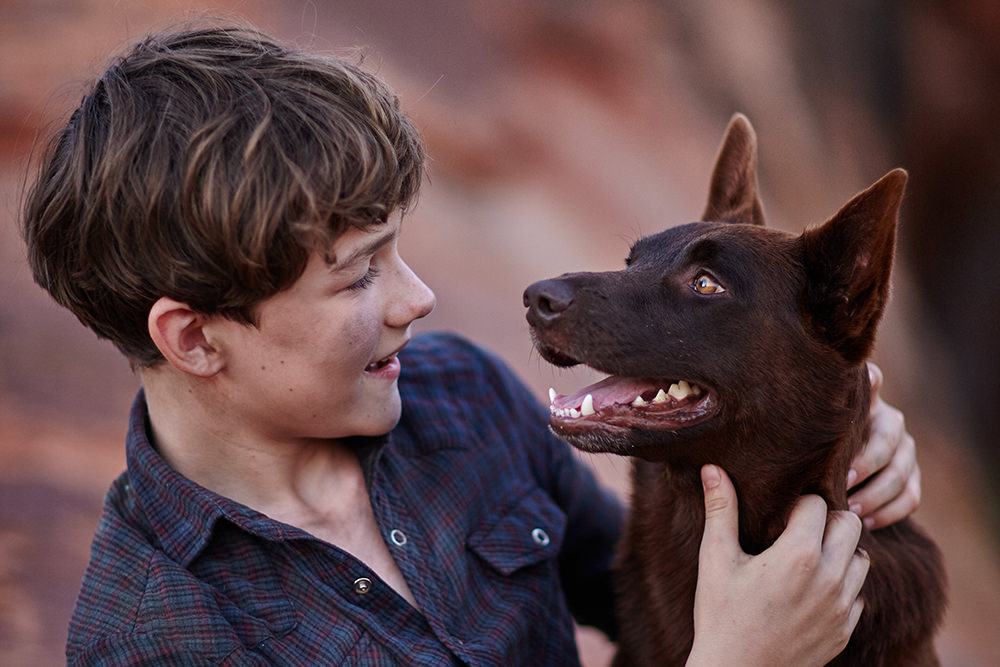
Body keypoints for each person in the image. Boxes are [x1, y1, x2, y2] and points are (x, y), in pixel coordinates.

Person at [22, 22, 920, 666]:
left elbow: (644, 590)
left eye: (399, 251)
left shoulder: (462, 397)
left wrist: (839, 439)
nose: (419, 299)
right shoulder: (153, 637)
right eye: (359, 275)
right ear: (194, 338)